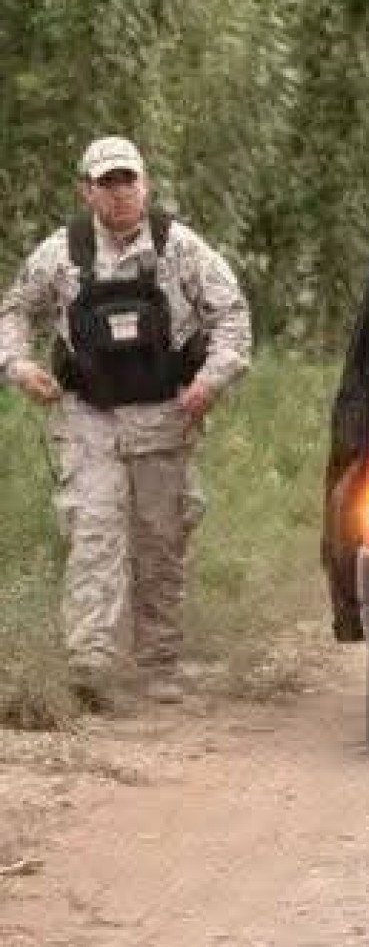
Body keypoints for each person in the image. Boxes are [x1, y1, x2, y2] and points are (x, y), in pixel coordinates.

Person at [0, 136, 252, 709]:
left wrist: (211, 382)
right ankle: (89, 667)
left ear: (146, 184)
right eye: (106, 183)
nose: (119, 194)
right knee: (93, 533)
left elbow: (232, 315)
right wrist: (18, 364)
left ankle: (158, 662)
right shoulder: (62, 252)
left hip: (164, 415)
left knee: (159, 540)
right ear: (86, 190)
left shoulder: (179, 248)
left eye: (127, 181)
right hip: (88, 416)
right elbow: (14, 307)